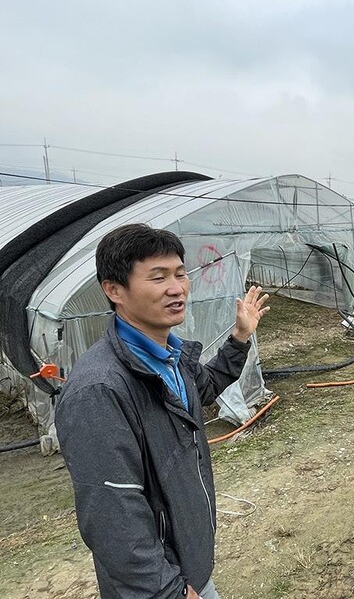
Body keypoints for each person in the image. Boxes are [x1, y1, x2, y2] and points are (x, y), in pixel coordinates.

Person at [55, 223, 270, 599]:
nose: (177, 288)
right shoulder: (99, 390)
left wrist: (239, 338)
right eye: (158, 277)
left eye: (180, 274)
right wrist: (169, 590)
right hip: (161, 586)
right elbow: (112, 514)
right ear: (114, 290)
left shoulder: (171, 356)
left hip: (188, 565)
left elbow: (205, 387)